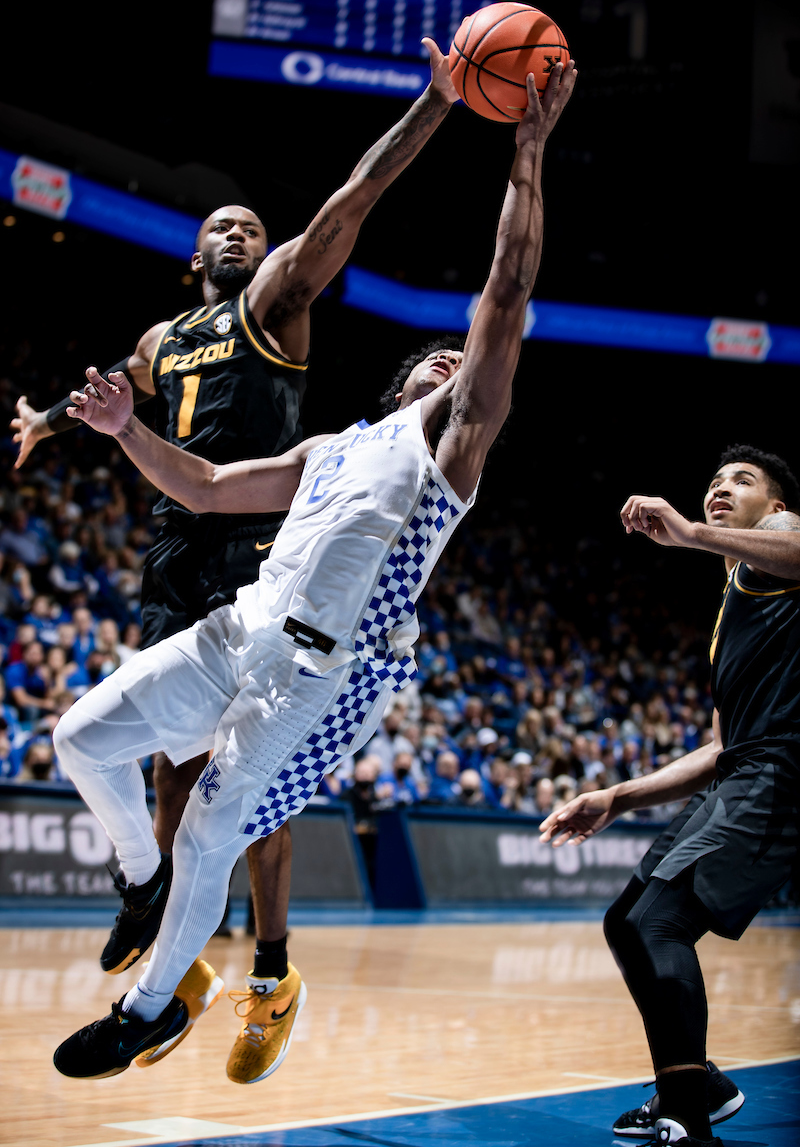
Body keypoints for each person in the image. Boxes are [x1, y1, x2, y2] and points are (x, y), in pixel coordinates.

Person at [49, 59, 577, 1081]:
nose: (448, 363)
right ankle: (139, 880)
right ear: (396, 383)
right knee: (81, 737)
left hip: (315, 671)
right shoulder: (330, 448)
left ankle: (151, 1006)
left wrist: (526, 149)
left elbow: (505, 291)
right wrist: (123, 429)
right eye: (429, 360)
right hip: (237, 626)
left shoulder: (451, 450)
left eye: (457, 360)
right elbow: (201, 486)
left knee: (217, 831)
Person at [540, 444, 800, 1147]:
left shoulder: (780, 541)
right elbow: (719, 750)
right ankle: (698, 1088)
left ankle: (687, 1111)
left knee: (657, 922)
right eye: (714, 480)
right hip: (747, 769)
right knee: (630, 919)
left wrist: (687, 531)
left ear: (772, 507)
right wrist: (617, 797)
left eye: (741, 481)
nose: (721, 488)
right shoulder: (733, 611)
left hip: (783, 772)